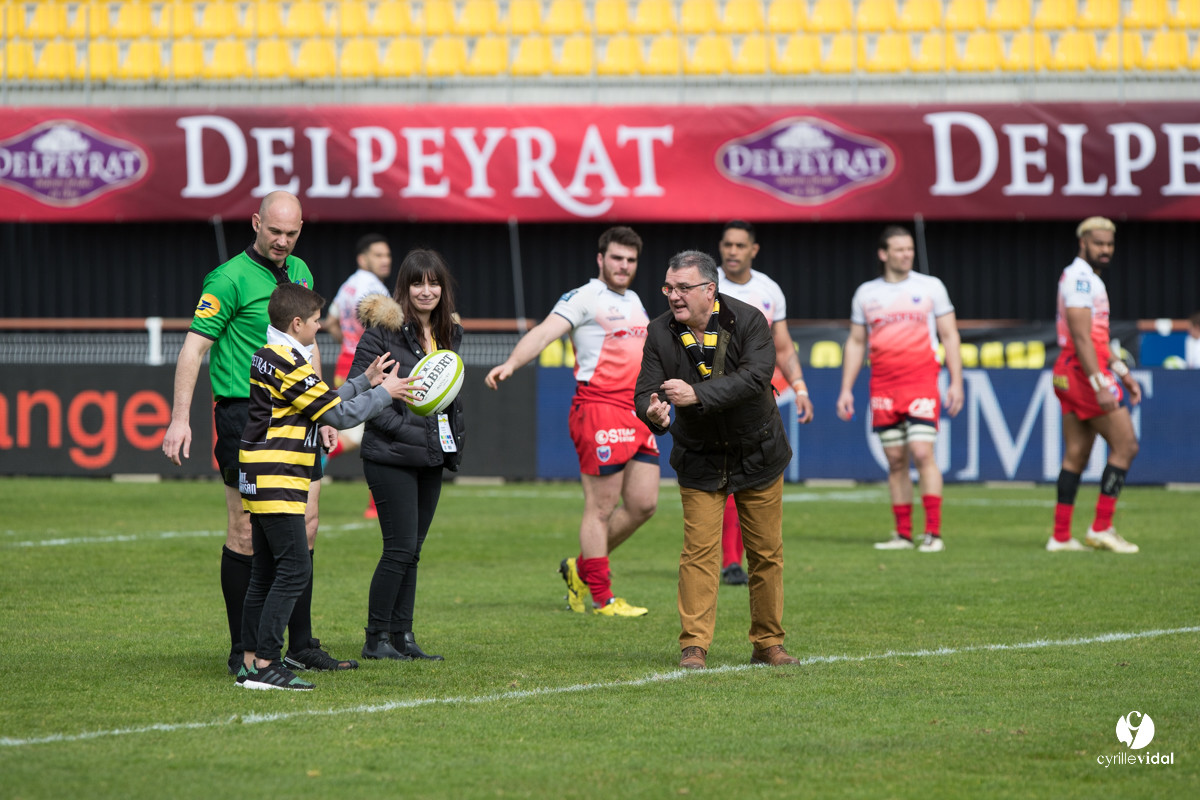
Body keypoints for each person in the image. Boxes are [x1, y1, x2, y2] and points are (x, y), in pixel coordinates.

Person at [162, 191, 358, 675]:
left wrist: (322, 408)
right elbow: (192, 351)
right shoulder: (227, 279)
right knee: (245, 531)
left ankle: (300, 644)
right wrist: (179, 418)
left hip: (299, 414)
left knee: (307, 523)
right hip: (245, 416)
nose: (283, 242)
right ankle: (244, 651)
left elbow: (307, 346)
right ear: (256, 223)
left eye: (292, 234)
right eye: (275, 232)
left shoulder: (302, 271)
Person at [237, 284, 414, 690]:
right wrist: (385, 394)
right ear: (296, 323)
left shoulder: (271, 355)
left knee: (264, 573)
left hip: (260, 475)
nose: (321, 327)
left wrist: (365, 382)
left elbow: (322, 400)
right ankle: (266, 664)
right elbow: (339, 414)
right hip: (277, 475)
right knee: (296, 568)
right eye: (316, 321)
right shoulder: (289, 362)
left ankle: (249, 662)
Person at [635, 250, 799, 670]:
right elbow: (645, 391)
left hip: (757, 451)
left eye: (684, 287)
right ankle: (694, 647)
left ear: (711, 290)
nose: (674, 295)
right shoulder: (658, 332)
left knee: (765, 554)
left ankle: (768, 643)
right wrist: (651, 413)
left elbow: (756, 378)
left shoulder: (749, 320)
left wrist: (697, 395)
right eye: (669, 287)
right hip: (700, 457)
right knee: (698, 554)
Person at [485, 226, 657, 617]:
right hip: (598, 408)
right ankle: (601, 597)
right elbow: (545, 332)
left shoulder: (633, 299)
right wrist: (512, 363)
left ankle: (579, 569)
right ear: (601, 259)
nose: (624, 266)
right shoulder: (584, 297)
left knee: (644, 505)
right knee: (600, 507)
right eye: (616, 258)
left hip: (637, 409)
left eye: (630, 260)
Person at [350, 249, 466, 661]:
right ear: (404, 287)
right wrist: (401, 430)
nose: (426, 290)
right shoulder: (382, 332)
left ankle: (403, 637)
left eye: (434, 282)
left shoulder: (450, 333)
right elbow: (360, 390)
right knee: (398, 548)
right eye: (417, 282)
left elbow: (449, 400)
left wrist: (454, 441)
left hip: (430, 456)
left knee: (413, 550)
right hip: (389, 454)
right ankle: (375, 638)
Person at [836, 225, 963, 553]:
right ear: (884, 254)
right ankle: (903, 534)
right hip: (883, 384)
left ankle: (933, 533)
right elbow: (856, 342)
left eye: (910, 249)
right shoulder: (867, 293)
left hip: (921, 380)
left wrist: (956, 381)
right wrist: (846, 389)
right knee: (895, 460)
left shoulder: (931, 287)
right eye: (900, 249)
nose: (907, 254)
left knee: (922, 452)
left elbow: (949, 335)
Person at [716, 220, 814, 586]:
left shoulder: (769, 290)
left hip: (757, 397)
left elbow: (784, 346)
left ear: (753, 250)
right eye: (728, 244)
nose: (733, 251)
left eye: (740, 245)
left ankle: (739, 561)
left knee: (752, 478)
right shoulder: (706, 285)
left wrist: (800, 387)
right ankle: (727, 560)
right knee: (722, 475)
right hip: (716, 394)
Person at [1047, 217, 1142, 554]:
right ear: (1082, 242)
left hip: (1072, 370)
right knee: (1126, 445)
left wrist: (1123, 372)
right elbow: (1082, 338)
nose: (1105, 250)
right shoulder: (1081, 280)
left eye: (1109, 244)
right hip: (1081, 372)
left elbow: (1098, 340)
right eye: (1098, 243)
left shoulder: (1087, 279)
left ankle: (1060, 536)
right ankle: (1101, 526)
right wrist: (1100, 382)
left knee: (1076, 454)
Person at [323, 233, 393, 519]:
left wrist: (348, 344)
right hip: (368, 369)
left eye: (387, 255)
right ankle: (312, 459)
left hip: (345, 364)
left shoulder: (348, 285)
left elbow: (330, 321)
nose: (385, 260)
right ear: (362, 258)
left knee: (362, 433)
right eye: (378, 255)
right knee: (370, 435)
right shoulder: (375, 290)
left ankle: (375, 507)